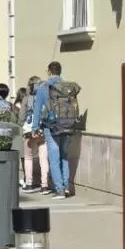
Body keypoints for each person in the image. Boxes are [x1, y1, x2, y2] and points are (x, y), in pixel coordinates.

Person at [31, 61, 81, 200]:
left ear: (49, 71)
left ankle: (59, 190)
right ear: (60, 71)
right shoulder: (68, 87)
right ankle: (66, 187)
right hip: (67, 125)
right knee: (64, 156)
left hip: (51, 126)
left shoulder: (44, 87)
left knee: (54, 158)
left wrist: (35, 127)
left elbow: (37, 109)